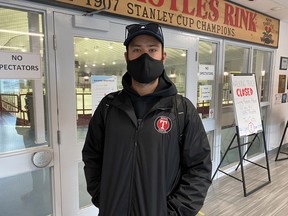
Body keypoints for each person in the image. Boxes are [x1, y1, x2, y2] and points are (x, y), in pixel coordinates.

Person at [82, 22, 212, 216]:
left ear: (163, 56)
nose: (145, 56)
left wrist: (175, 212)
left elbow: (199, 168)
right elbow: (92, 156)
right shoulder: (108, 107)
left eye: (152, 49)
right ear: (127, 57)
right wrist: (102, 196)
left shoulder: (181, 110)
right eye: (137, 50)